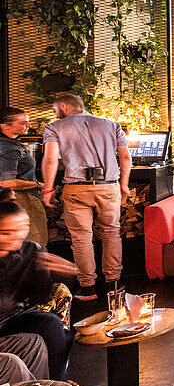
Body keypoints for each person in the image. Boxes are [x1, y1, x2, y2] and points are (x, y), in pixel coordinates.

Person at [40, 93, 131, 302]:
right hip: (108, 187)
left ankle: (88, 288)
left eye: (55, 110)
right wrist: (124, 184)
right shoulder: (112, 125)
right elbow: (125, 157)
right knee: (111, 234)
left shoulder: (54, 127)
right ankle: (114, 284)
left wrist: (47, 189)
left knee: (81, 238)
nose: (56, 114)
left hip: (76, 188)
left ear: (63, 106)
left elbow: (51, 160)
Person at [0, 200, 78, 380]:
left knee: (52, 325)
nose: (16, 236)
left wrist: (60, 273)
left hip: (17, 316)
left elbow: (40, 297)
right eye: (6, 232)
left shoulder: (31, 251)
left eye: (21, 229)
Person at [0, 108, 47, 246]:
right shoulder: (9, 148)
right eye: (23, 122)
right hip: (22, 199)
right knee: (35, 243)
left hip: (13, 199)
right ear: (4, 126)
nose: (29, 125)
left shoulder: (11, 145)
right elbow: (7, 182)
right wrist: (38, 185)